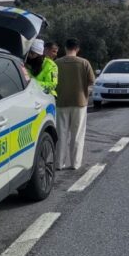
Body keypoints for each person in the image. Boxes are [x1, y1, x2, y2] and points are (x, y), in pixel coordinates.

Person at [55, 38, 96, 170]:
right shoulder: (84, 63)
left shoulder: (57, 63)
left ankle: (59, 163)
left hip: (61, 102)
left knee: (61, 134)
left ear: (65, 48)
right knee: (77, 134)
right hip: (80, 102)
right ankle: (75, 163)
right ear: (77, 49)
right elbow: (91, 81)